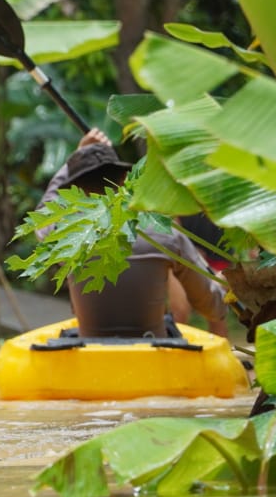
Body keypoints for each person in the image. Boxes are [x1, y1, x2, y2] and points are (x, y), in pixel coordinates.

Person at [37, 128, 228, 339]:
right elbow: (213, 307)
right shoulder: (165, 234)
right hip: (150, 354)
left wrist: (74, 160)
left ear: (75, 191)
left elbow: (44, 210)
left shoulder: (63, 235)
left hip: (91, 354)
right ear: (124, 180)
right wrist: (223, 283)